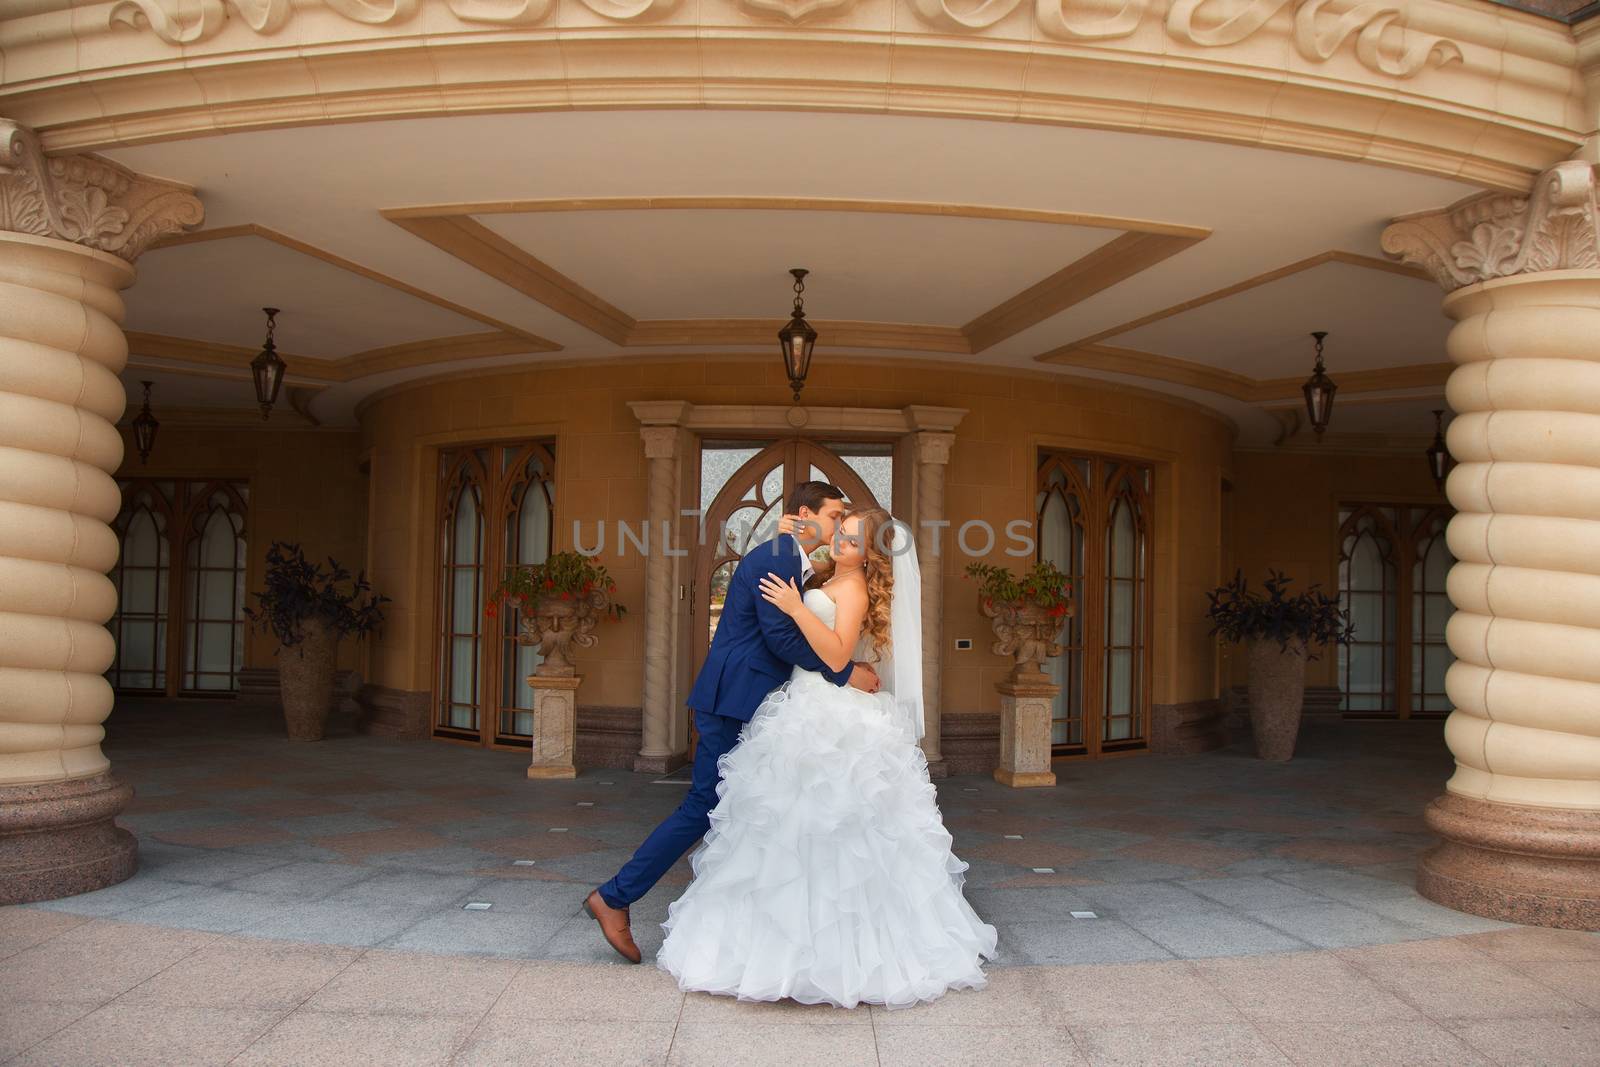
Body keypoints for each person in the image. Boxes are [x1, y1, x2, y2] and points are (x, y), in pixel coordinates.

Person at [654, 505, 997, 1009]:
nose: (842, 543)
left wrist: (796, 609)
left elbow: (837, 657)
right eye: (842, 532)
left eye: (854, 540)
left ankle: (834, 958)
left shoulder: (853, 588)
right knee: (783, 829)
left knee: (827, 827)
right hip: (799, 706)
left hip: (827, 715)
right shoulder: (820, 573)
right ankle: (778, 950)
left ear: (871, 552)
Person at [581, 481, 882, 964]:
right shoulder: (778, 558)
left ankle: (745, 926)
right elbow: (782, 637)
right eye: (833, 515)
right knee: (706, 805)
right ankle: (615, 897)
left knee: (749, 808)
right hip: (733, 700)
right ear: (806, 513)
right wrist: (846, 674)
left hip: (747, 699)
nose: (838, 526)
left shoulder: (795, 559)